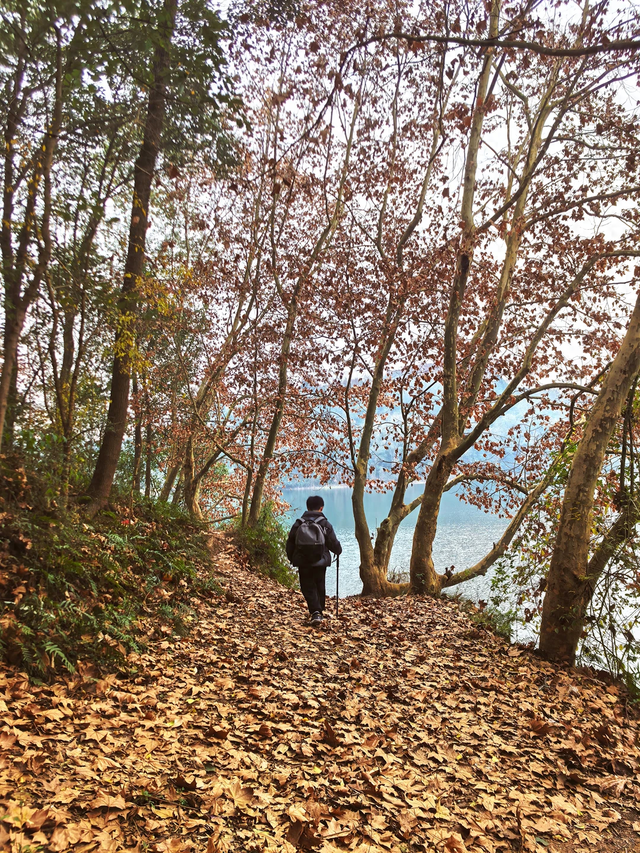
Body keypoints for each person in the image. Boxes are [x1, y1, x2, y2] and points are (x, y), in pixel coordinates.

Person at [286, 495, 342, 627]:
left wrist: (292, 558)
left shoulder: (298, 523)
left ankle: (316, 612)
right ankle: (319, 611)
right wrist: (338, 551)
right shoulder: (325, 524)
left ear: (307, 507)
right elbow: (333, 543)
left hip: (303, 561)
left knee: (307, 586)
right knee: (319, 584)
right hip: (320, 561)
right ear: (321, 508)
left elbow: (290, 544)